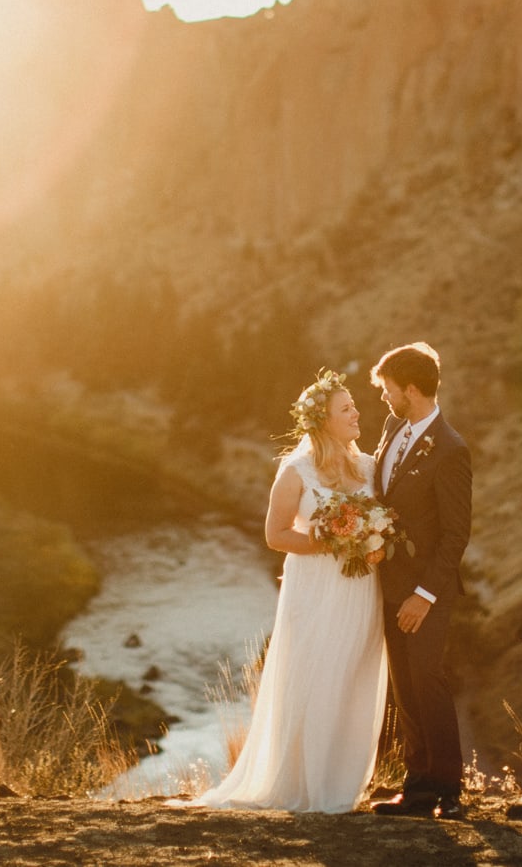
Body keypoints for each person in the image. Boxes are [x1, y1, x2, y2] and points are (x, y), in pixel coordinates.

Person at [178, 370, 388, 813]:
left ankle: (340, 785)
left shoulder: (369, 466)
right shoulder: (295, 471)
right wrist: (332, 541)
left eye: (353, 406)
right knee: (314, 676)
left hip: (361, 590)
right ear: (323, 421)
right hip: (313, 588)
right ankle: (303, 785)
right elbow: (275, 535)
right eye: (346, 408)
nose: (356, 413)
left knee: (352, 677)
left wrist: (372, 543)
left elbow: (385, 525)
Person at [367, 342, 472, 820]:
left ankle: (450, 790)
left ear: (412, 389)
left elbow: (456, 534)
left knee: (428, 681)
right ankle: (418, 787)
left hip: (425, 593)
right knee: (404, 686)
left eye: (390, 390)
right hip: (387, 585)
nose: (385, 398)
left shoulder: (451, 449)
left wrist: (424, 596)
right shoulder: (393, 428)